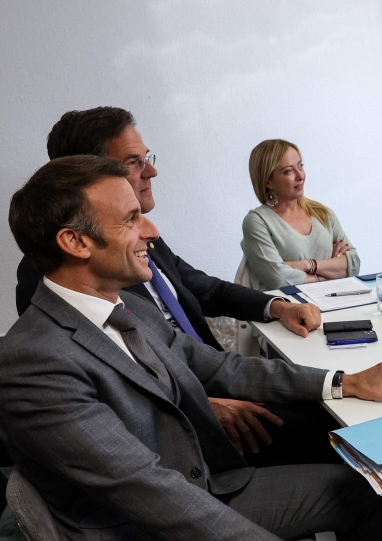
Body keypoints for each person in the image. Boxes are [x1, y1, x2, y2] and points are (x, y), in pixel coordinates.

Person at [2, 154, 382, 541]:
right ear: (75, 242)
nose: (151, 230)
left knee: (365, 488)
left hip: (195, 495)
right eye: (131, 219)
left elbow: (218, 366)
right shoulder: (34, 362)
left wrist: (342, 382)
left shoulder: (126, 305)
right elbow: (148, 491)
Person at [13, 108, 335, 462]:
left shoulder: (142, 241)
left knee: (330, 403)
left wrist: (277, 307)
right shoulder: (51, 280)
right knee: (332, 437)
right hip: (190, 417)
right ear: (90, 174)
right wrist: (201, 405)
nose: (151, 171)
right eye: (133, 162)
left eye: (146, 158)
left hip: (215, 374)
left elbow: (207, 291)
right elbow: (110, 392)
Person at [242, 139, 360, 290]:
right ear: (268, 181)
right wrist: (330, 270)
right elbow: (280, 280)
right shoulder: (257, 221)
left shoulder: (322, 213)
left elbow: (353, 264)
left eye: (300, 166)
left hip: (333, 301)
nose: (300, 176)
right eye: (288, 171)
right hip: (288, 305)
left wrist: (306, 265)